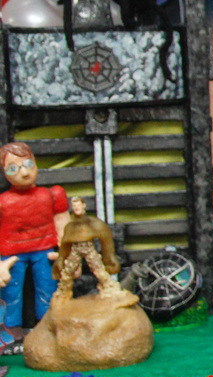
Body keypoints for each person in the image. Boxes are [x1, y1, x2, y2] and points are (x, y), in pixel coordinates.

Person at [0, 142, 69, 346]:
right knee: (10, 293)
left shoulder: (52, 195)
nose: (24, 172)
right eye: (13, 168)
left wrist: (66, 251)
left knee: (48, 288)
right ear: (4, 172)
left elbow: (62, 224)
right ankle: (10, 334)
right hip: (11, 253)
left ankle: (46, 328)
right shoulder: (3, 201)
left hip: (44, 250)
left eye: (28, 164)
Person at [52, 196, 122, 300]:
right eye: (74, 206)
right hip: (75, 250)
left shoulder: (93, 223)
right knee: (67, 272)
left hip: (89, 249)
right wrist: (61, 259)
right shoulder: (70, 226)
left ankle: (110, 289)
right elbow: (65, 244)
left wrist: (110, 257)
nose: (76, 208)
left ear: (83, 206)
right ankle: (63, 292)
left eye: (78, 205)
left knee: (99, 270)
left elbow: (106, 240)